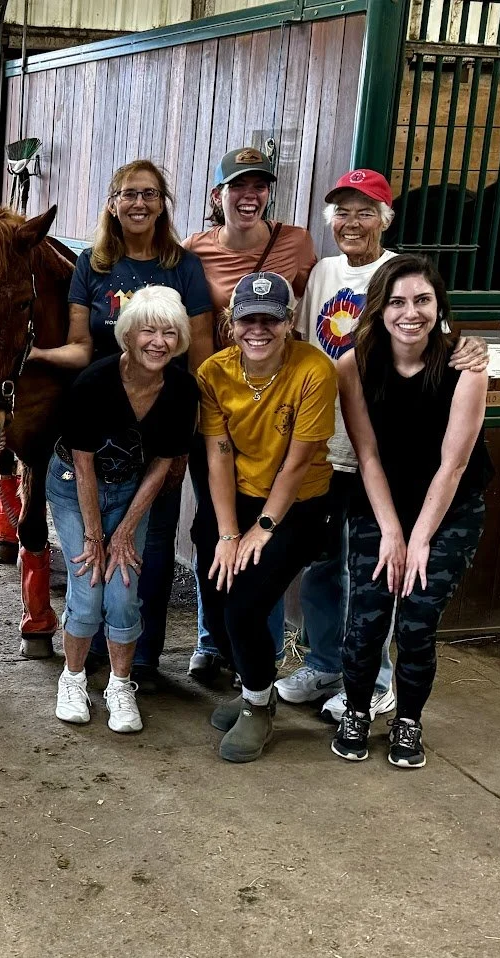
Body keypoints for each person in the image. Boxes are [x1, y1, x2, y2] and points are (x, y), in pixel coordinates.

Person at [276, 170, 488, 722]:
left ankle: (379, 683)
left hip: (392, 462)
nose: (352, 222)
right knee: (327, 565)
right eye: (342, 212)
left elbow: (441, 343)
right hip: (333, 446)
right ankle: (327, 663)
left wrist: (474, 353)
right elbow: (302, 344)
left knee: (385, 571)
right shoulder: (322, 272)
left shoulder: (400, 278)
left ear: (384, 219)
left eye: (365, 211)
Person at [30, 159, 212, 692]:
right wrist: (35, 354)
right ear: (112, 203)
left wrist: (187, 440)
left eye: (150, 194)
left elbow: (198, 353)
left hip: (161, 421)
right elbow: (83, 346)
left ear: (163, 204)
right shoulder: (94, 264)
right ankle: (87, 659)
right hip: (100, 412)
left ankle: (141, 662)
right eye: (128, 194)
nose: (138, 203)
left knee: (146, 553)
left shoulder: (183, 265)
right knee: (95, 556)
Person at [331, 255, 491, 768]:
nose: (410, 312)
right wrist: (391, 532)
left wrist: (418, 539)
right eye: (397, 301)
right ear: (379, 309)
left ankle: (408, 721)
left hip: (449, 507)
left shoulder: (465, 365)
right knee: (367, 618)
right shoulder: (353, 364)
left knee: (417, 622)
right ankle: (356, 709)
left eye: (422, 300)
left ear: (438, 305)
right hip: (378, 503)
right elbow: (368, 454)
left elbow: (454, 463)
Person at [184, 148, 318, 682]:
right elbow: (191, 330)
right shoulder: (193, 251)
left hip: (277, 406)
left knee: (266, 531)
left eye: (259, 186)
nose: (249, 196)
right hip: (218, 402)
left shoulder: (298, 242)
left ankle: (253, 650)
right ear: (218, 195)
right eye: (238, 186)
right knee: (213, 527)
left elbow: (332, 305)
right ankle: (211, 639)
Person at [194, 272, 336, 763]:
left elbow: (298, 461)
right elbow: (218, 454)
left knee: (246, 605)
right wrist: (229, 532)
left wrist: (262, 529)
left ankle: (258, 705)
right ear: (231, 323)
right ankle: (257, 684)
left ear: (289, 322)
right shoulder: (214, 372)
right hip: (237, 496)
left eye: (270, 319)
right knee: (214, 593)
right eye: (247, 319)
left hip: (298, 504)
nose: (258, 329)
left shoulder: (314, 370)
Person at [48, 287, 198, 732]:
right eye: (148, 330)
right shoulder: (94, 382)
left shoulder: (181, 389)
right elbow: (83, 461)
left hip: (131, 489)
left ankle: (119, 684)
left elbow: (163, 464)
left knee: (124, 591)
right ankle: (72, 678)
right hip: (76, 487)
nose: (159, 342)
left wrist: (126, 530)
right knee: (89, 582)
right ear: (129, 335)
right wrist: (97, 537)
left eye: (170, 333)